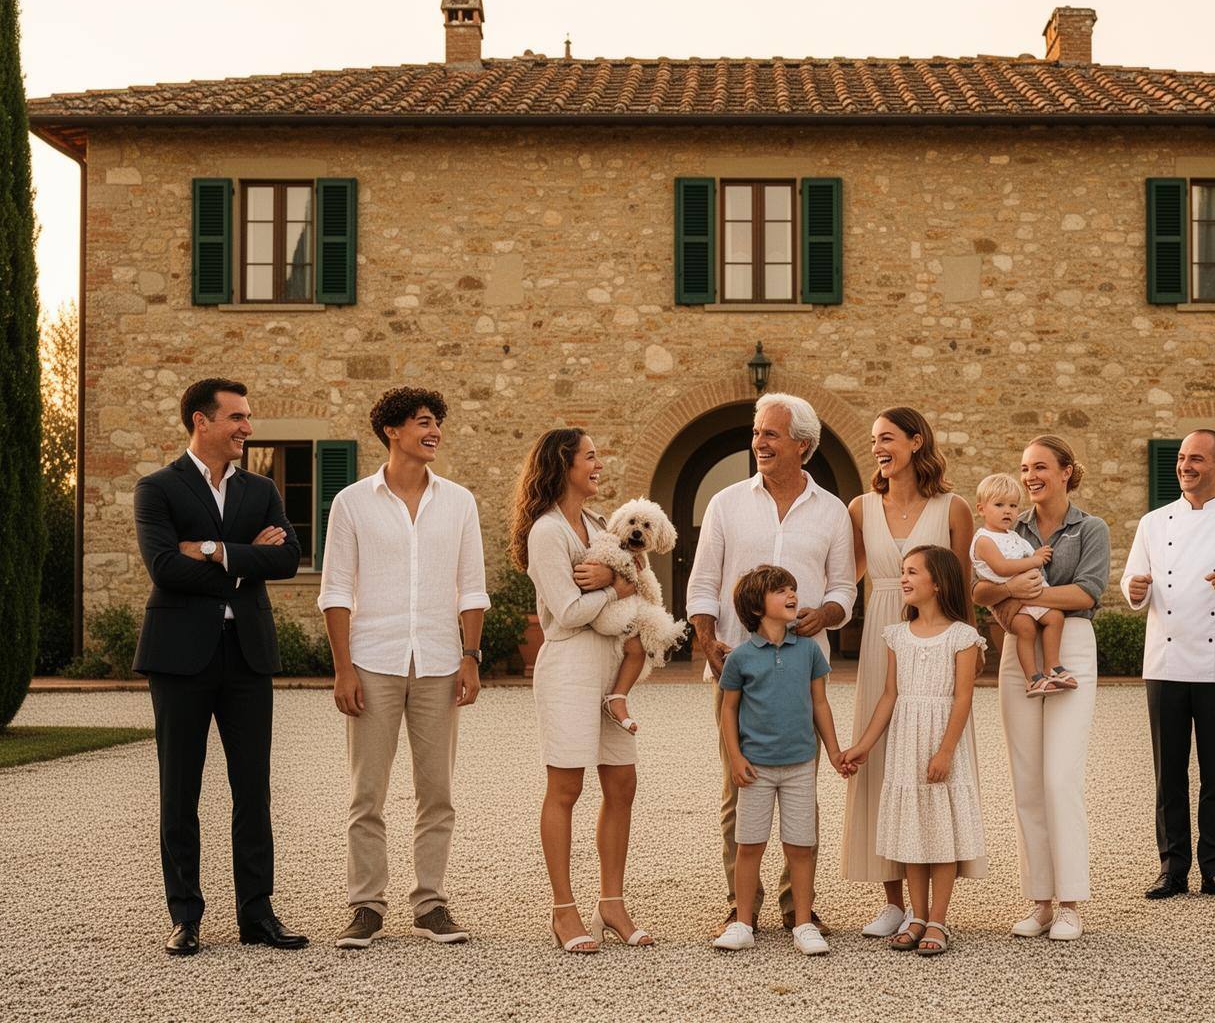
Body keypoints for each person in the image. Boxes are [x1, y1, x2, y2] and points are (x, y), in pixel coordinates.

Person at [131, 377, 307, 956]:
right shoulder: (156, 489)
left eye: (248, 417)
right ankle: (185, 917)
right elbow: (163, 568)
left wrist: (211, 549)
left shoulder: (260, 488)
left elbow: (287, 557)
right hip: (179, 657)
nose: (247, 428)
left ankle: (257, 916)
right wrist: (243, 558)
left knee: (252, 790)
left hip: (248, 656)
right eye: (236, 417)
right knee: (178, 790)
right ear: (201, 422)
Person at [319, 387, 488, 950]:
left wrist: (471, 656)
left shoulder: (459, 501)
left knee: (436, 791)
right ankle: (366, 905)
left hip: (441, 661)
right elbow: (336, 589)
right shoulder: (351, 502)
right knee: (366, 793)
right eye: (423, 421)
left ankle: (430, 903)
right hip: (372, 661)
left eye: (437, 421)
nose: (434, 429)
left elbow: (472, 588)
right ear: (392, 431)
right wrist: (343, 669)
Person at [686, 392, 856, 935]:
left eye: (770, 434)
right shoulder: (726, 503)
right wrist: (710, 642)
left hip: (804, 672)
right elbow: (704, 582)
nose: (758, 442)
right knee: (741, 784)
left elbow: (844, 589)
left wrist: (826, 614)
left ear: (801, 445)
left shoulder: (831, 510)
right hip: (740, 667)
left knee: (800, 784)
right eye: (757, 433)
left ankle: (796, 908)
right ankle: (743, 907)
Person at [511, 428, 655, 953]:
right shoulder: (547, 533)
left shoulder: (597, 524)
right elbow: (568, 613)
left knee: (622, 785)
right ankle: (564, 911)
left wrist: (624, 583)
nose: (599, 463)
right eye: (590, 456)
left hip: (612, 666)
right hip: (569, 667)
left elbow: (636, 579)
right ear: (562, 464)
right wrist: (618, 587)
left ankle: (611, 904)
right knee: (566, 789)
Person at [1120, 430, 1215, 904]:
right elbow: (1129, 579)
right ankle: (1172, 869)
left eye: (1197, 459)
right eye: (1183, 458)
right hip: (1164, 662)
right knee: (1169, 773)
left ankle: (1214, 868)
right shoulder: (1152, 522)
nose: (1186, 466)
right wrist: (1135, 590)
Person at [842, 407, 976, 939]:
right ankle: (895, 902)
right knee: (882, 763)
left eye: (888, 438)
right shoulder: (860, 508)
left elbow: (961, 586)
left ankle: (934, 908)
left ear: (917, 442)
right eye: (874, 439)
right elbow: (844, 578)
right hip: (883, 636)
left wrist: (968, 649)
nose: (877, 447)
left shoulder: (953, 507)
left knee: (928, 761)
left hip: (938, 643)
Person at [970, 435, 1109, 942]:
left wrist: (1024, 593)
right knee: (1027, 780)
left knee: (1059, 777)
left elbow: (1088, 591)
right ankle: (1041, 902)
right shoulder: (1010, 522)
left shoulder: (1089, 528)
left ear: (1068, 471)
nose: (1030, 477)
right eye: (1025, 467)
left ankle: (1072, 901)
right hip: (1017, 649)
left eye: (1041, 467)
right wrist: (1009, 593)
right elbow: (980, 587)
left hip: (1071, 644)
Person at [843, 545, 987, 957]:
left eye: (912, 572)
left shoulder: (962, 636)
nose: (903, 579)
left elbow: (962, 699)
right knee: (911, 830)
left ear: (938, 583)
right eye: (903, 572)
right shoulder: (897, 635)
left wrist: (945, 751)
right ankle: (917, 915)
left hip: (940, 742)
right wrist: (864, 746)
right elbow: (890, 695)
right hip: (906, 743)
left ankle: (939, 920)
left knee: (939, 831)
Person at [712, 566, 849, 956]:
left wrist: (835, 751)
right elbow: (728, 711)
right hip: (755, 768)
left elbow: (820, 704)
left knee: (800, 846)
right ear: (757, 606)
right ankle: (742, 922)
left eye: (793, 588)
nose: (792, 595)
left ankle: (804, 924)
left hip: (801, 767)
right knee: (749, 845)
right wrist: (735, 758)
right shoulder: (739, 658)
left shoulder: (809, 651)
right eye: (780, 591)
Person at [971, 473, 1072, 697]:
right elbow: (1002, 567)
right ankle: (1033, 679)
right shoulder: (985, 540)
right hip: (1008, 601)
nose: (1008, 511)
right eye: (999, 505)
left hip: (1029, 596)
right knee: (1025, 629)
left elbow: (1023, 554)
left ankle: (1053, 667)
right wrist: (1035, 560)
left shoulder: (1013, 536)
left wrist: (1035, 553)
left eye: (1013, 505)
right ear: (981, 509)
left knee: (1055, 617)